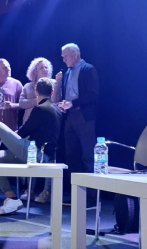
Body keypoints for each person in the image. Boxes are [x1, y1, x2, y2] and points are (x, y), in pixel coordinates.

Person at [0, 78, 62, 215]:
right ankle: (12, 198)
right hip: (43, 155)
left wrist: (9, 136)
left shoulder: (41, 108)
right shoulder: (56, 109)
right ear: (52, 92)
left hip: (35, 153)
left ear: (36, 91)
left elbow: (24, 131)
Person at [56, 43, 99, 204]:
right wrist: (64, 104)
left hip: (84, 117)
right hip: (70, 118)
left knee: (88, 155)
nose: (63, 59)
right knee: (71, 155)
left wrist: (72, 103)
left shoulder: (88, 69)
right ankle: (76, 193)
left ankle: (92, 195)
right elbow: (68, 95)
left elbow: (93, 95)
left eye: (65, 56)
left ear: (75, 54)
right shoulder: (67, 72)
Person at [18, 57, 61, 204]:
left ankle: (46, 191)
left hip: (45, 129)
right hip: (30, 125)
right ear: (34, 71)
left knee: (47, 157)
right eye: (42, 67)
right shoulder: (28, 86)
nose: (45, 70)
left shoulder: (54, 84)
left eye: (46, 67)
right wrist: (38, 100)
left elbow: (55, 102)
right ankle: (29, 189)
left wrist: (42, 100)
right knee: (31, 158)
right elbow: (21, 103)